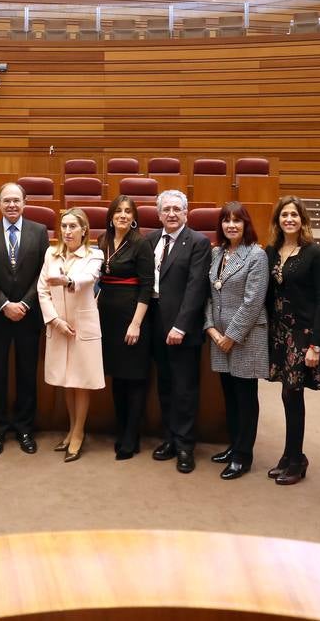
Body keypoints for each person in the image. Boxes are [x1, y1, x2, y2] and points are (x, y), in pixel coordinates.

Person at [0, 182, 47, 455]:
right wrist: (4, 304)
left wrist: (25, 304)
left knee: (27, 374)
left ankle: (25, 428)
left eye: (16, 200)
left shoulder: (39, 232)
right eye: (6, 201)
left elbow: (43, 272)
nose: (12, 205)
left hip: (29, 316)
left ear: (25, 202)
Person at [263, 195, 320, 486]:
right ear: (277, 220)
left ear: (303, 220)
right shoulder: (271, 251)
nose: (289, 219)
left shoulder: (314, 253)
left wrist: (316, 343)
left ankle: (296, 458)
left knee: (293, 392)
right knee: (286, 394)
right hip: (278, 331)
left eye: (294, 215)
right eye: (284, 215)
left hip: (301, 333)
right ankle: (290, 455)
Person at [203, 202, 268, 481]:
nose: (231, 225)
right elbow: (208, 295)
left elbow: (253, 301)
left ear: (246, 224)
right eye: (226, 221)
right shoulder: (216, 253)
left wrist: (231, 335)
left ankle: (244, 456)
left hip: (245, 337)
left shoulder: (256, 255)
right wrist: (212, 330)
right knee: (229, 396)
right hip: (219, 338)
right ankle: (233, 446)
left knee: (245, 397)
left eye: (237, 221)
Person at [148, 189, 211, 473]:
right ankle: (170, 438)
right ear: (158, 214)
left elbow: (196, 287)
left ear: (186, 212)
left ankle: (186, 446)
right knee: (165, 385)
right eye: (166, 210)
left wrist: (180, 326)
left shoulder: (197, 242)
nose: (171, 214)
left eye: (177, 209)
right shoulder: (150, 240)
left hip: (182, 329)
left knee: (185, 388)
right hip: (155, 325)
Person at [38, 208, 104, 461]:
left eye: (72, 226)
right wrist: (54, 320)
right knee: (66, 380)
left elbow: (87, 278)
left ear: (84, 230)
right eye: (63, 226)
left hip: (82, 327)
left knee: (81, 381)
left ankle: (78, 432)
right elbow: (42, 290)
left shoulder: (93, 254)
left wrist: (65, 281)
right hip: (59, 325)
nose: (67, 231)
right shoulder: (51, 253)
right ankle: (70, 428)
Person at [97, 195, 154, 460]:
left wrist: (136, 323)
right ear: (110, 216)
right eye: (118, 211)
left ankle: (132, 437)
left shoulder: (141, 244)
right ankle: (122, 430)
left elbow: (146, 287)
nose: (122, 215)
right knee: (117, 378)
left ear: (134, 218)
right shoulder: (102, 241)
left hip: (132, 316)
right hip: (106, 316)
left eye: (127, 211)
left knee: (134, 378)